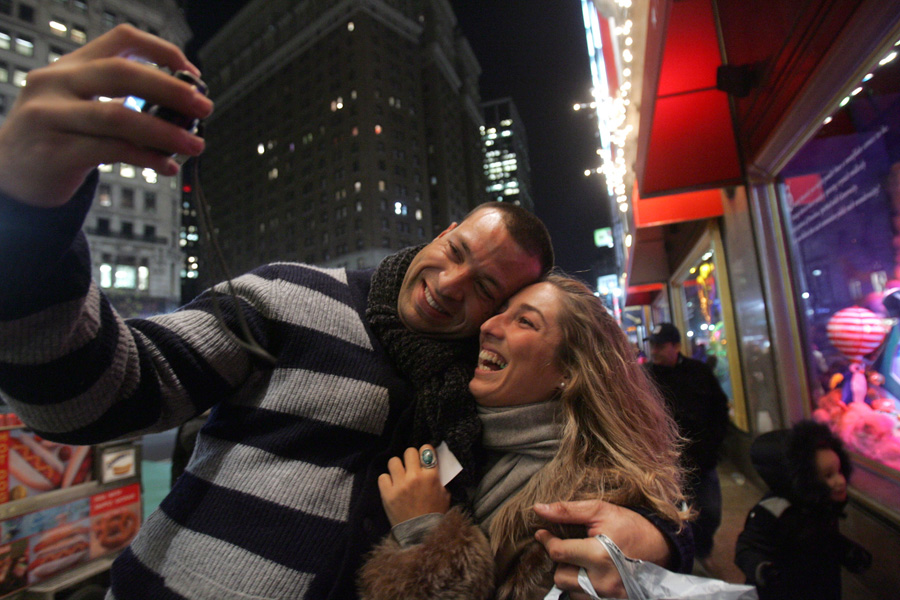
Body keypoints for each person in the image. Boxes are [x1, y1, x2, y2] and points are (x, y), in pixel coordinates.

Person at [0, 25, 688, 600]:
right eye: (453, 250)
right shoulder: (291, 296)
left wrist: (658, 545)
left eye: (483, 288)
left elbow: (587, 456)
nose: (450, 283)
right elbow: (94, 400)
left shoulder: (477, 396)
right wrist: (32, 212)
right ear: (440, 231)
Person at [359, 274, 692, 600]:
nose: (488, 326)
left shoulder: (585, 505)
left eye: (525, 322)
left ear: (569, 371)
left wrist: (422, 533)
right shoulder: (448, 420)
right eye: (499, 311)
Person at [734, 420, 871, 600]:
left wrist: (846, 551)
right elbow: (747, 548)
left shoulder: (819, 506)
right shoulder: (773, 511)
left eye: (840, 471)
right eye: (829, 475)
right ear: (805, 479)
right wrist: (762, 569)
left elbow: (823, 539)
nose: (841, 481)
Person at [644, 322, 729, 564]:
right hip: (663, 465)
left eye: (661, 346)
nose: (655, 351)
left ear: (676, 346)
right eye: (653, 346)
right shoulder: (645, 376)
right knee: (670, 515)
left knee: (709, 512)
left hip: (702, 460)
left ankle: (702, 551)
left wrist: (715, 445)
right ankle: (681, 555)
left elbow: (719, 408)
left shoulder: (699, 372)